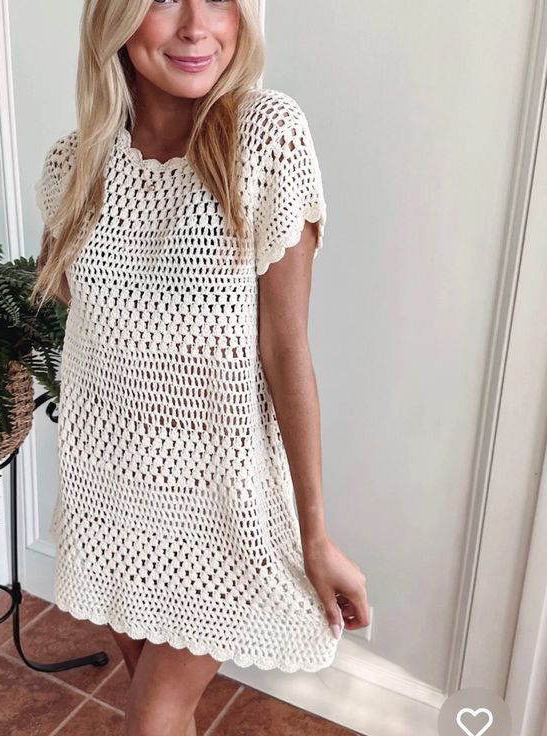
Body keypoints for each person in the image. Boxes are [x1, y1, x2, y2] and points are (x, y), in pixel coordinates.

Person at [31, 1, 370, 734]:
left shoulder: (267, 137)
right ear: (114, 20)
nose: (195, 26)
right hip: (112, 492)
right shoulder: (74, 163)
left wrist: (315, 533)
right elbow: (71, 302)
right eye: (160, 1)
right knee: (163, 709)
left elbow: (286, 352)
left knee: (149, 718)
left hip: (222, 506)